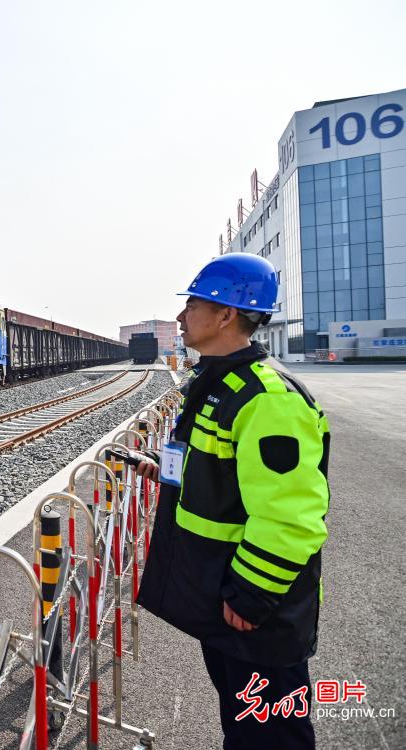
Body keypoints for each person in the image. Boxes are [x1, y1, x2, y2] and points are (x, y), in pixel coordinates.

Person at [135, 253, 330, 749]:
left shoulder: (267, 399)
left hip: (254, 611)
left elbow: (292, 515)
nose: (181, 317)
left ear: (226, 314)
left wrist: (253, 594)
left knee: (271, 735)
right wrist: (169, 475)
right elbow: (230, 476)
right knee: (242, 726)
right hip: (222, 597)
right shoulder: (222, 384)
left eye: (193, 305)